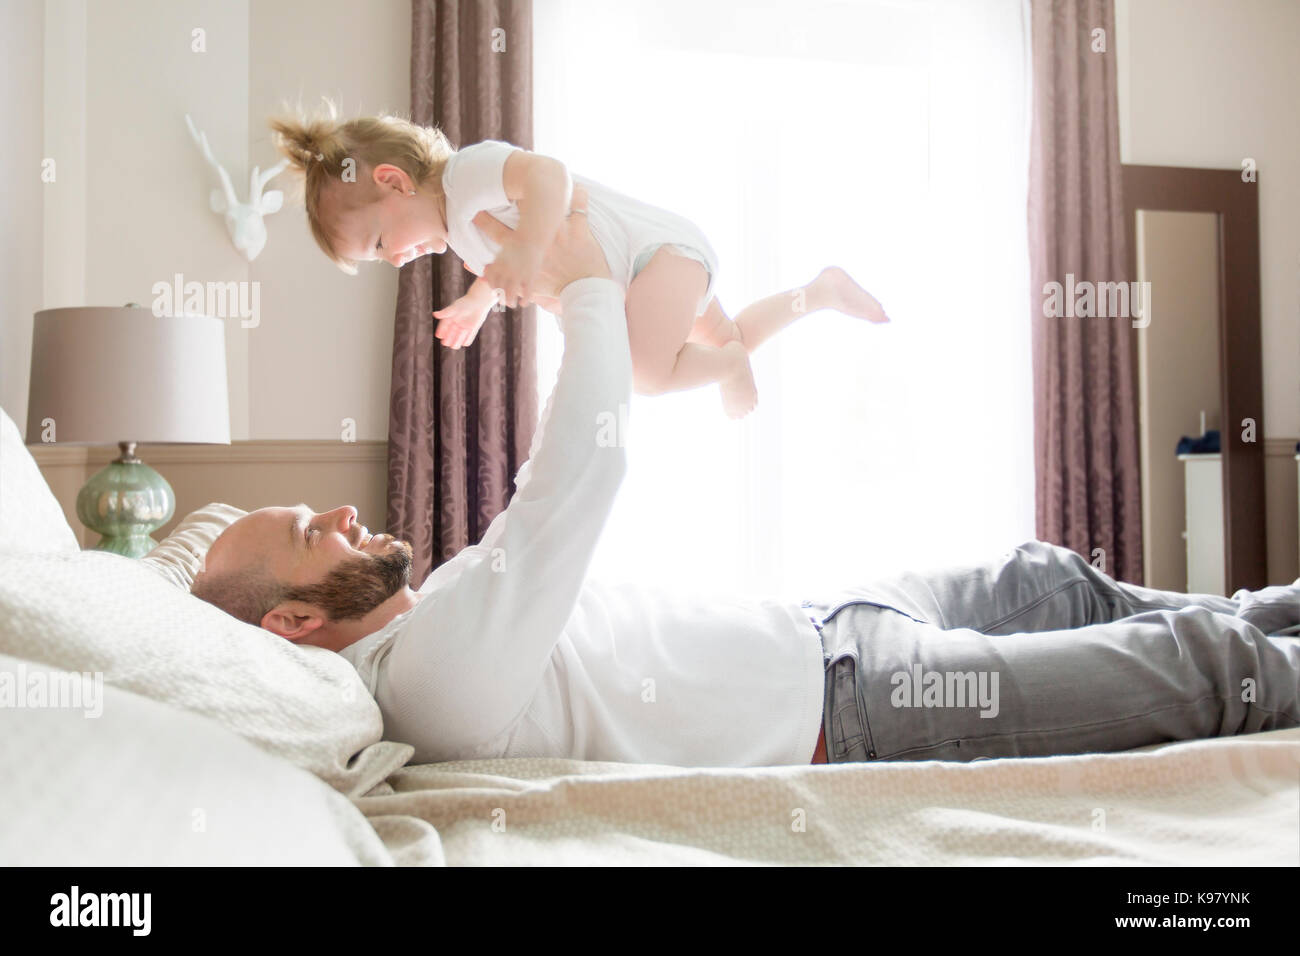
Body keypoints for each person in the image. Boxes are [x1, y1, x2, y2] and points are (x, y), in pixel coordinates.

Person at [191, 191, 1300, 768]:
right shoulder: (429, 678)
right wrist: (581, 288)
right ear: (291, 617)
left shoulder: (433, 617)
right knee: (1205, 667)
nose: (339, 509)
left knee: (1049, 575)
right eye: (308, 527)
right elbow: (577, 473)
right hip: (863, 708)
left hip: (832, 624)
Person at [268, 103, 889, 419]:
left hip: (655, 257)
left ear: (393, 182)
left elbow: (550, 176)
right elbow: (502, 262)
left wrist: (532, 248)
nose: (398, 260)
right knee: (713, 339)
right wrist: (478, 302)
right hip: (653, 270)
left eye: (381, 243)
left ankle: (731, 366)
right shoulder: (461, 229)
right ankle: (819, 293)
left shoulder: (469, 173)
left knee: (647, 374)